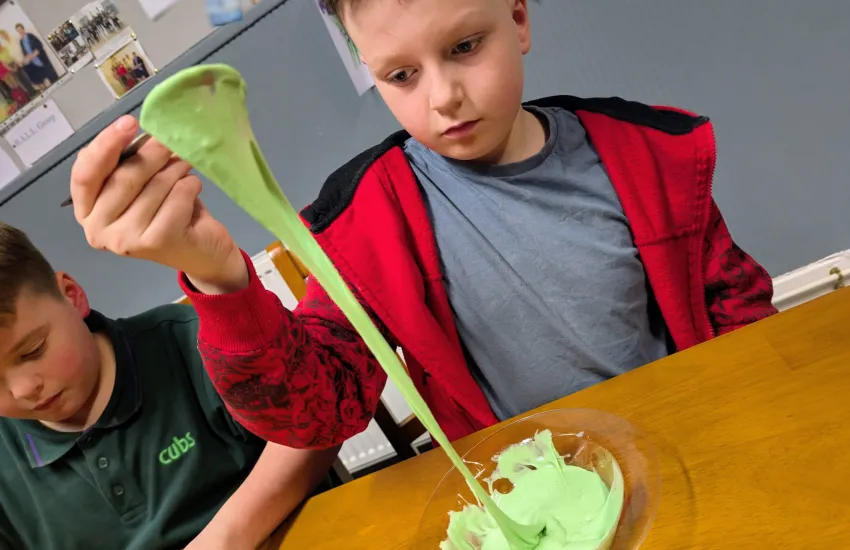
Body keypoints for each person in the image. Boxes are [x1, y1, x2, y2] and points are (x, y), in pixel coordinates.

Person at [69, 0, 778, 451]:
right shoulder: (366, 224)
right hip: (529, 496)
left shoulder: (645, 153)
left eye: (465, 47)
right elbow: (319, 412)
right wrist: (223, 284)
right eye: (400, 76)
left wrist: (745, 422)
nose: (443, 98)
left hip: (694, 441)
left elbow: (738, 307)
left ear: (520, 19)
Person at [0, 222, 338, 549]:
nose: (23, 390)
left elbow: (313, 428)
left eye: (34, 351)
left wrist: (227, 538)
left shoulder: (196, 344)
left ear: (72, 297)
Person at [16, 23, 58, 91]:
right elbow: (24, 53)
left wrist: (34, 54)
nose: (20, 32)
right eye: (18, 31)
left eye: (20, 29)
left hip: (41, 59)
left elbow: (39, 45)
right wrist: (27, 58)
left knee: (52, 77)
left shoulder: (30, 36)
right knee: (41, 81)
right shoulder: (21, 41)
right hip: (34, 64)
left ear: (23, 29)